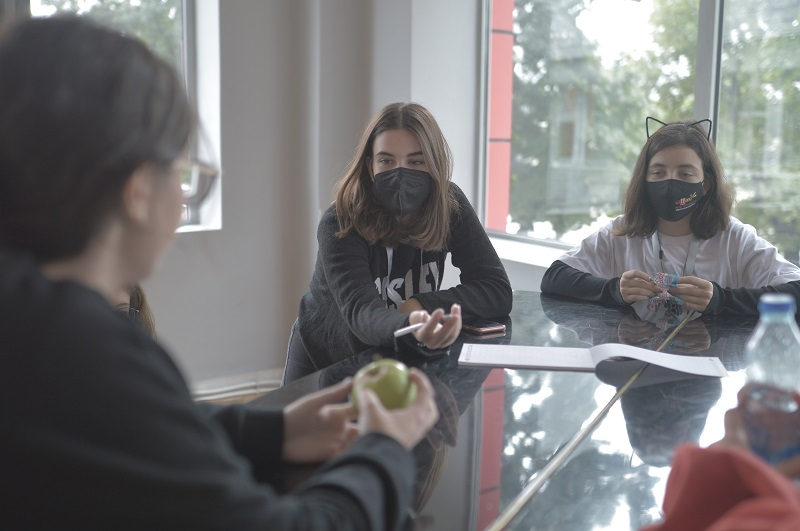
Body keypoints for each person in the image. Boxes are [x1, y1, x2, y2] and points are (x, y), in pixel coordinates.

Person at [0, 16, 439, 530]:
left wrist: (272, 431)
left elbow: (127, 426)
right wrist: (385, 449)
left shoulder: (31, 321)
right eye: (184, 175)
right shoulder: (86, 347)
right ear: (138, 191)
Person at [283, 102, 513, 383]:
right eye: (386, 161)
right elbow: (362, 314)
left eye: (415, 162)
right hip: (326, 356)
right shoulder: (340, 222)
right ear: (370, 166)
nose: (400, 173)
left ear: (435, 164)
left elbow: (496, 289)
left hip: (397, 356)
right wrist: (412, 323)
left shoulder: (450, 205)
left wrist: (420, 304)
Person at [541, 118, 800, 316]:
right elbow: (554, 277)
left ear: (706, 184)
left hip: (708, 363)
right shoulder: (621, 232)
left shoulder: (735, 238)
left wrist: (721, 299)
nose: (670, 183)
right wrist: (614, 289)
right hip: (635, 360)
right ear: (644, 179)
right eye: (658, 173)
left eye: (685, 174)